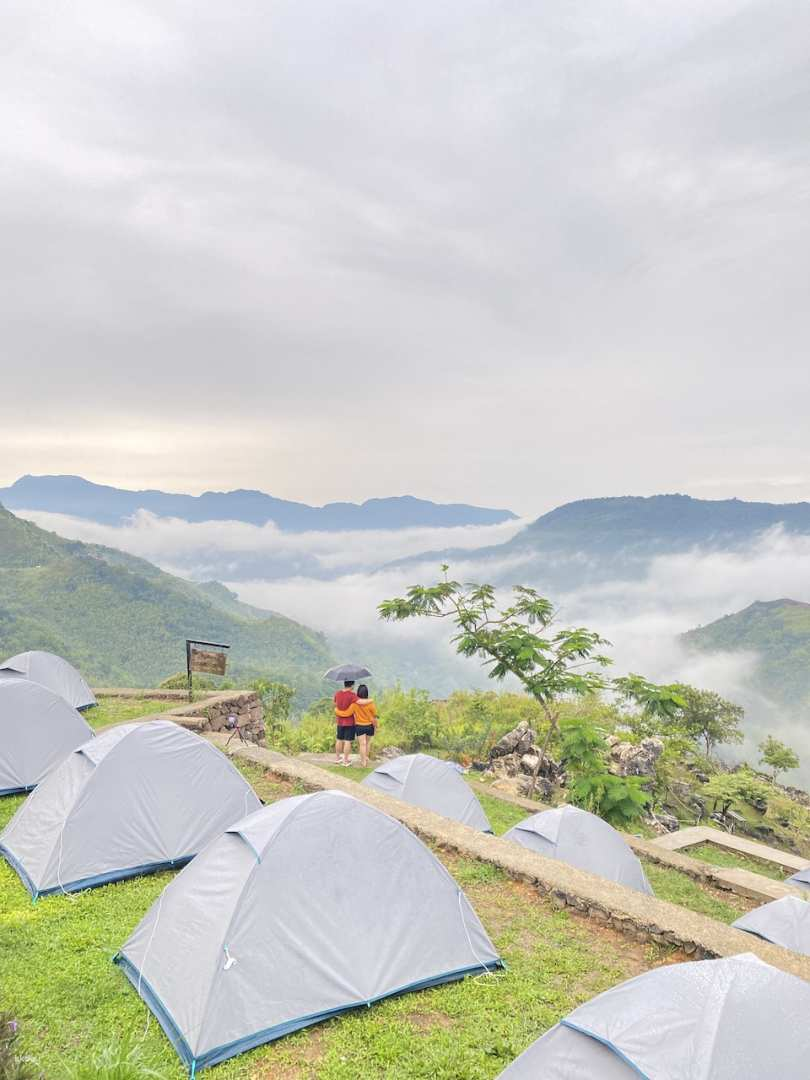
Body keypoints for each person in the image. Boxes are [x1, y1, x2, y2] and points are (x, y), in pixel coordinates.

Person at [350, 684, 378, 768]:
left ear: (358, 693)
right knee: (368, 743)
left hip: (359, 726)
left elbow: (352, 713)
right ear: (366, 693)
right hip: (369, 726)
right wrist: (376, 726)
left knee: (362, 744)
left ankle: (363, 762)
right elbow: (375, 715)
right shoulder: (370, 703)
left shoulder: (354, 703)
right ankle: (365, 758)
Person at [333, 679, 357, 766]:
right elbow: (357, 704)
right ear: (352, 685)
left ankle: (337, 758)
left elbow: (335, 705)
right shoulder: (353, 695)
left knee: (339, 739)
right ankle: (345, 760)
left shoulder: (337, 693)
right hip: (350, 722)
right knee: (347, 741)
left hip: (340, 721)